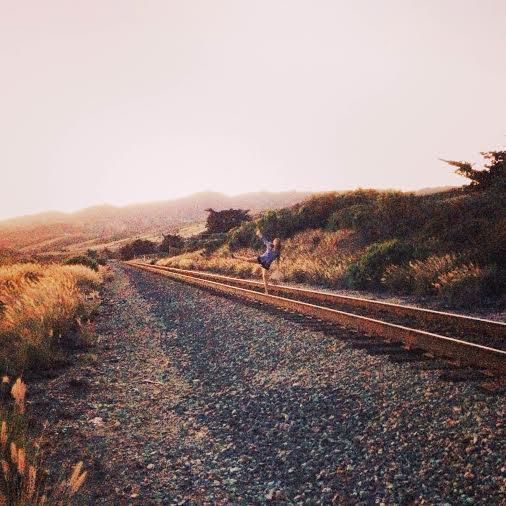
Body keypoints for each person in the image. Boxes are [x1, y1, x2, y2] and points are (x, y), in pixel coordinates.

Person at [232, 229, 282, 294]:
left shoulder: (278, 252)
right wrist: (259, 234)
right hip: (261, 258)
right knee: (248, 260)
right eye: (274, 242)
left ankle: (266, 291)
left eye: (275, 242)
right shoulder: (269, 245)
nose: (274, 243)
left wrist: (278, 268)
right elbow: (264, 239)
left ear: (278, 244)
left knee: (264, 276)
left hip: (266, 264)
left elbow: (277, 260)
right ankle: (235, 257)